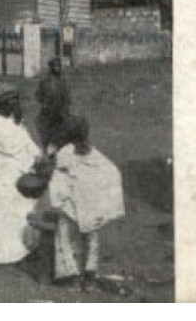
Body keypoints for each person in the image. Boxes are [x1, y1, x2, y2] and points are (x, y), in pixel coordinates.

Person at [48, 115, 125, 290]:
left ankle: (72, 276)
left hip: (73, 203)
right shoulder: (93, 152)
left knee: (65, 235)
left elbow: (56, 170)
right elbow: (111, 170)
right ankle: (90, 276)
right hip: (91, 205)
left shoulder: (65, 152)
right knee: (92, 237)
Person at [0, 83, 41, 267]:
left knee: (24, 212)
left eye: (16, 100)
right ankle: (5, 257)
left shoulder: (15, 120)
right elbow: (10, 146)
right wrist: (18, 126)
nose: (15, 105)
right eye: (11, 101)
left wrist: (38, 155)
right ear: (2, 103)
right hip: (5, 175)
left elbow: (27, 142)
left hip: (22, 172)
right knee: (6, 215)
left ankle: (24, 252)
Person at [37, 57, 72, 152]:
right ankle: (47, 152)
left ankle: (58, 151)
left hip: (61, 112)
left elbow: (67, 97)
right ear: (51, 67)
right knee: (48, 134)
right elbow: (39, 95)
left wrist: (66, 111)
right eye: (55, 66)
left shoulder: (63, 81)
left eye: (59, 66)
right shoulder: (45, 81)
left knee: (60, 134)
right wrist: (43, 102)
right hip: (48, 112)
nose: (57, 68)